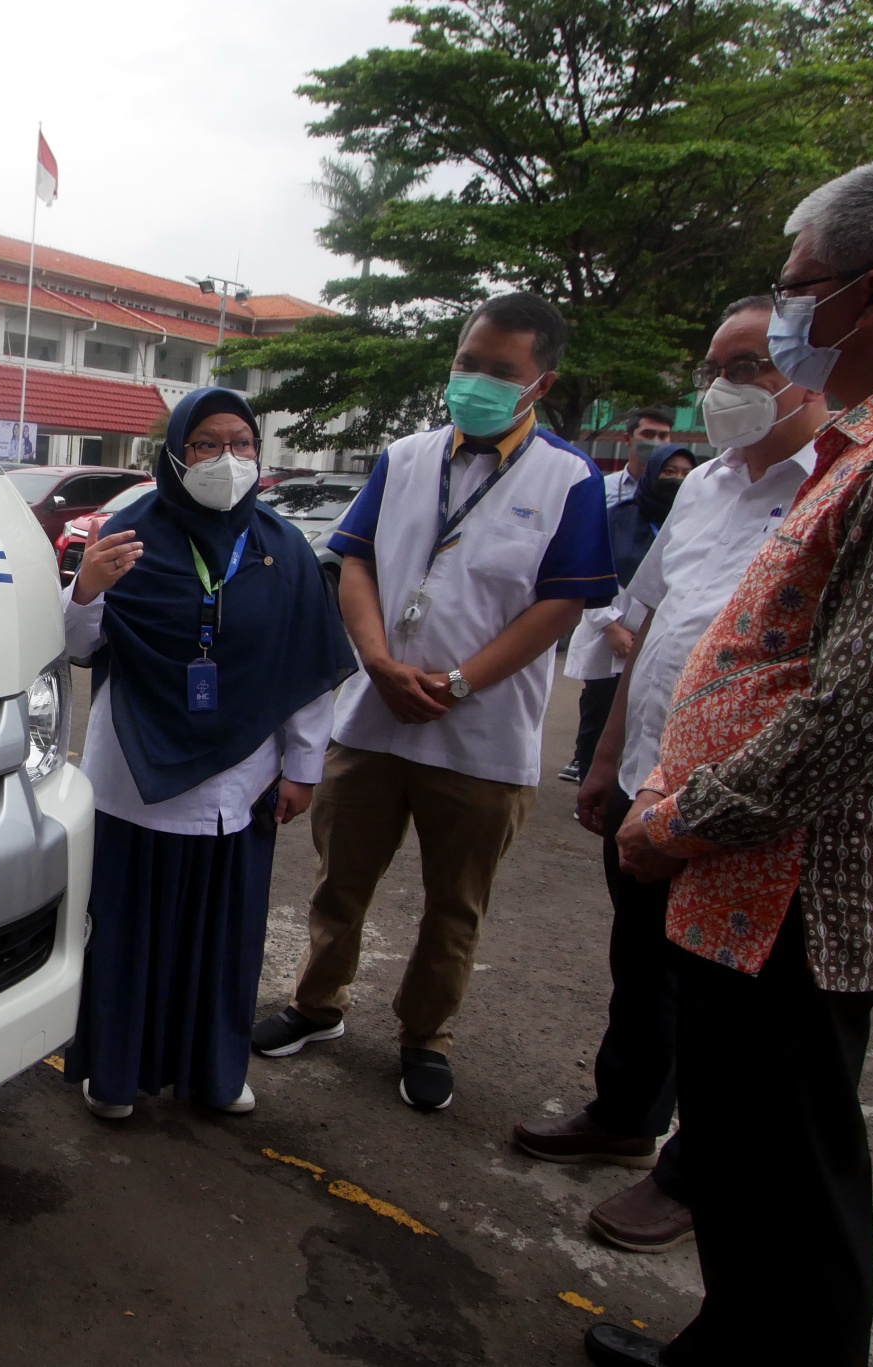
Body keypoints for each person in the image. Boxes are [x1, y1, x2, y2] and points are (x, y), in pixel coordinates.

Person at [592, 158, 873, 1367]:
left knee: (790, 1171)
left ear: (866, 295)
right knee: (742, 1155)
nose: (781, 312)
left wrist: (678, 821)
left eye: (794, 286)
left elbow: (854, 716)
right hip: (748, 878)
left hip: (794, 888)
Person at [251, 292, 618, 1111]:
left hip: (483, 735)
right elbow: (356, 561)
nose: (475, 381)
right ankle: (317, 1004)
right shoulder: (407, 457)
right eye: (466, 362)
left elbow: (562, 604)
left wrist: (459, 682)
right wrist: (378, 662)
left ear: (540, 383)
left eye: (500, 370)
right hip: (373, 719)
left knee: (455, 905)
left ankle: (426, 1036)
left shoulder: (568, 477)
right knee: (340, 881)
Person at [516, 295, 827, 1259]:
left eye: (748, 367)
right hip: (646, 774)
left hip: (739, 799)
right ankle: (623, 1115)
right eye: (713, 369)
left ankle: (697, 1173)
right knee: (641, 961)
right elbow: (646, 627)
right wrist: (608, 761)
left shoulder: (836, 485)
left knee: (725, 1003)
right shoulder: (702, 487)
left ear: (809, 369)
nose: (723, 388)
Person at [61, 387, 353, 1120]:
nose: (228, 459)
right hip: (136, 774)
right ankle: (116, 1074)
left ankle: (216, 1075)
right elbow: (77, 646)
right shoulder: (129, 533)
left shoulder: (284, 547)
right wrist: (86, 588)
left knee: (223, 941)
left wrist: (303, 769)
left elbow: (306, 668)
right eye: (207, 444)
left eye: (242, 443)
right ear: (175, 454)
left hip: (242, 781)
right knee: (127, 935)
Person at [559, 446, 695, 783]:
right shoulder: (616, 518)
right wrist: (612, 628)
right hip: (609, 637)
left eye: (685, 473)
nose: (677, 479)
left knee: (648, 719)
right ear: (652, 474)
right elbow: (588, 574)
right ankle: (589, 782)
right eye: (669, 471)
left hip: (660, 639)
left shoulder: (694, 523)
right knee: (600, 715)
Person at [604, 409, 676, 508]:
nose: (655, 442)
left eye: (663, 436)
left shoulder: (676, 487)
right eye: (648, 434)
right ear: (627, 439)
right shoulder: (604, 487)